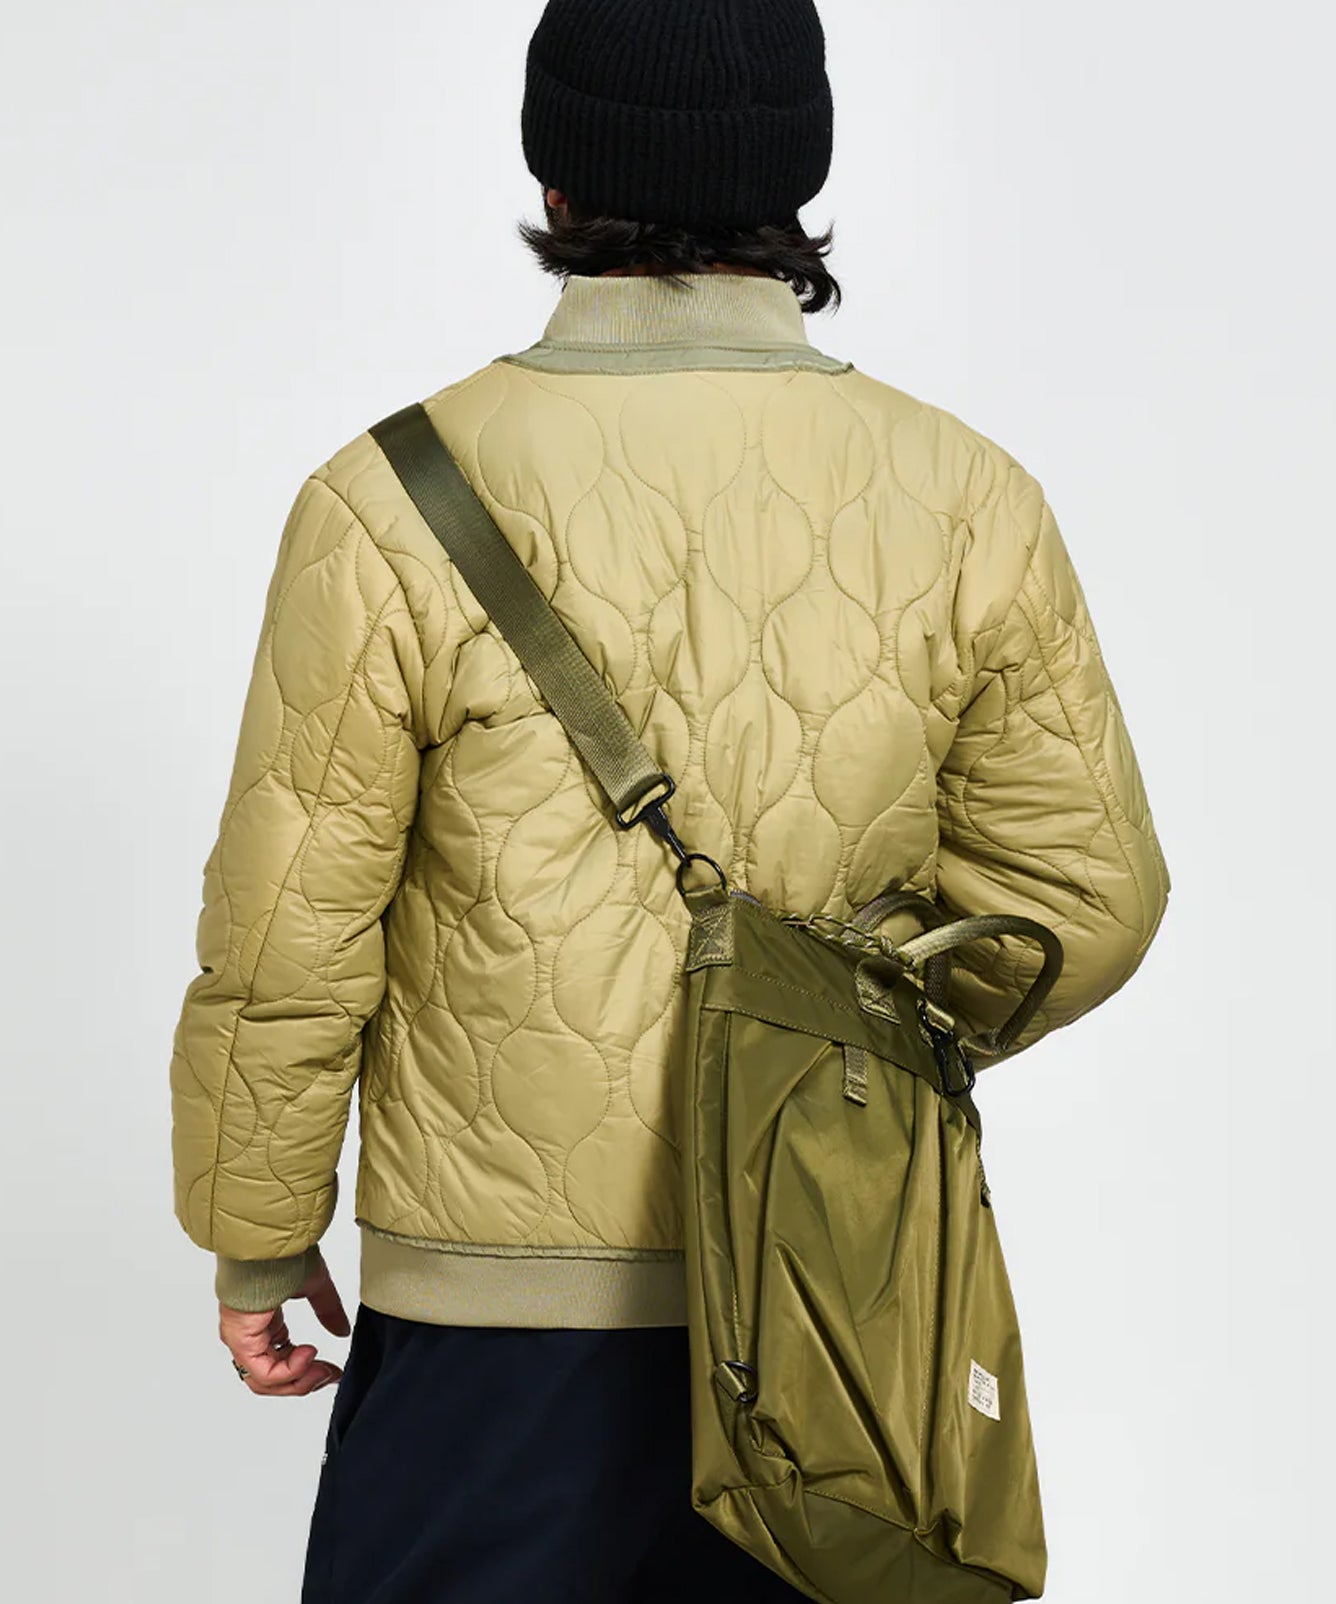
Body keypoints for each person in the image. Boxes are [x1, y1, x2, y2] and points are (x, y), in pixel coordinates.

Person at [168, 2, 1171, 1599]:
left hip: (494, 1322)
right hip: (840, 1302)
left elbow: (290, 931)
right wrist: (855, 1056)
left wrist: (259, 1232)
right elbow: (1088, 898)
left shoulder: (389, 498)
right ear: (800, 176)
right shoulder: (970, 495)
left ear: (554, 176)